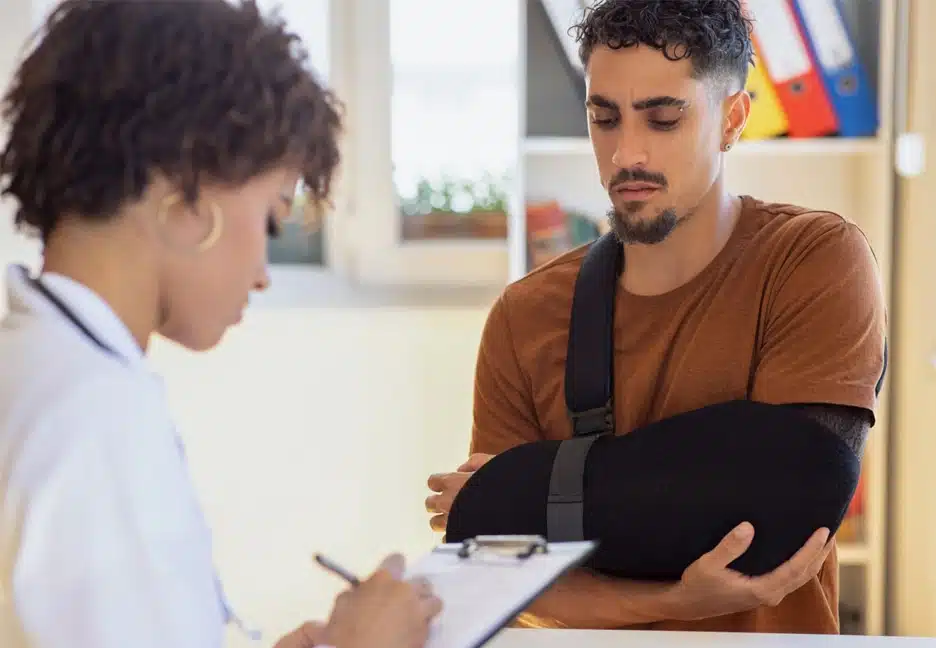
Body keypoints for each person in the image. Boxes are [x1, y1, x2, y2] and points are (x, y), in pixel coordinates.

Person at [426, 0, 886, 636]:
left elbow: (796, 487)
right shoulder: (524, 316)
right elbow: (497, 574)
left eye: (664, 118)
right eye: (604, 119)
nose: (626, 153)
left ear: (732, 118)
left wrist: (522, 494)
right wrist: (670, 604)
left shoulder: (812, 259)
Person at [0, 1, 441, 647]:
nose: (263, 273)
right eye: (269, 218)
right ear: (186, 198)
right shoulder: (94, 418)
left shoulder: (40, 367)